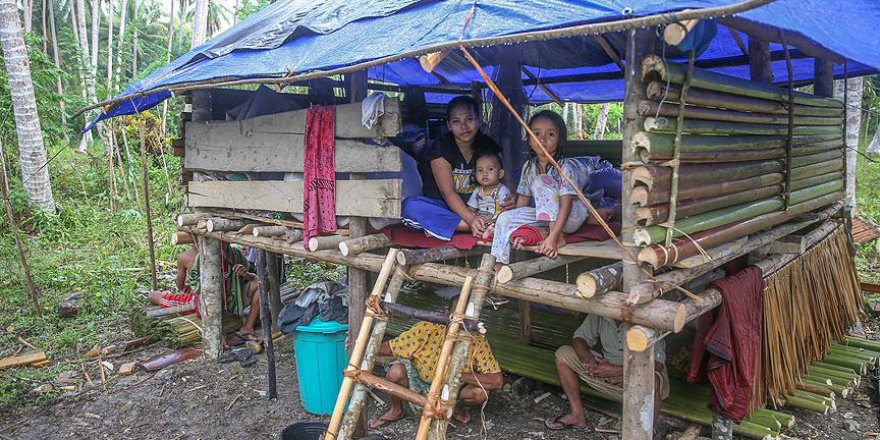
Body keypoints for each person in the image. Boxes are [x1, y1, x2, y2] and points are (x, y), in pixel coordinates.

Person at [368, 296, 504, 429]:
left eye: (466, 320)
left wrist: (458, 375)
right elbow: (390, 348)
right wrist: (365, 344)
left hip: (452, 387)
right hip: (419, 382)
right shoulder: (428, 328)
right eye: (456, 317)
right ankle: (396, 410)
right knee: (395, 372)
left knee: (479, 393)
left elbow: (496, 381)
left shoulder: (477, 340)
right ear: (446, 314)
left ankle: (456, 407)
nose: (460, 324)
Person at [401, 96, 512, 240]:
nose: (463, 126)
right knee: (410, 206)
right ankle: (472, 226)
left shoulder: (488, 146)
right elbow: (449, 193)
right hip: (447, 208)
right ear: (448, 125)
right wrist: (471, 220)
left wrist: (510, 200)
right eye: (456, 121)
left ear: (479, 120)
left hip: (483, 208)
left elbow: (507, 181)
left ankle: (445, 227)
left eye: (469, 119)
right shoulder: (440, 148)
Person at [490, 110, 592, 265]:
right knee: (504, 218)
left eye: (550, 134)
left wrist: (554, 235)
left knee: (541, 181)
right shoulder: (529, 166)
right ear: (529, 139)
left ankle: (557, 237)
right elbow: (523, 200)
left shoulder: (565, 167)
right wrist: (515, 221)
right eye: (536, 134)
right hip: (545, 216)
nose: (542, 140)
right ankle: (498, 265)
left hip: (569, 217)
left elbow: (567, 204)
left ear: (560, 139)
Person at [544, 315, 669, 431]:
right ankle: (577, 415)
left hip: (634, 381)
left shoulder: (646, 318)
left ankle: (643, 432)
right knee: (563, 355)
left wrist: (614, 370)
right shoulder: (602, 312)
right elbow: (579, 338)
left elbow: (658, 364)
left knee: (653, 379)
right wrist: (588, 359)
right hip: (603, 373)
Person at [148, 243, 263, 341]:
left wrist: (245, 274)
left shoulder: (234, 254)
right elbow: (185, 286)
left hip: (232, 299)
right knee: (154, 296)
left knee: (259, 282)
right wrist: (189, 288)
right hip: (204, 302)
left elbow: (180, 285)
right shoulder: (189, 257)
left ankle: (248, 327)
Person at [466, 151, 512, 240]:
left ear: (500, 174)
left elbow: (506, 212)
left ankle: (491, 232)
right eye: (480, 170)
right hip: (482, 221)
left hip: (496, 222)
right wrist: (473, 217)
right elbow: (470, 209)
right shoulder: (477, 191)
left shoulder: (502, 190)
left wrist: (495, 221)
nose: (484, 173)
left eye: (490, 169)